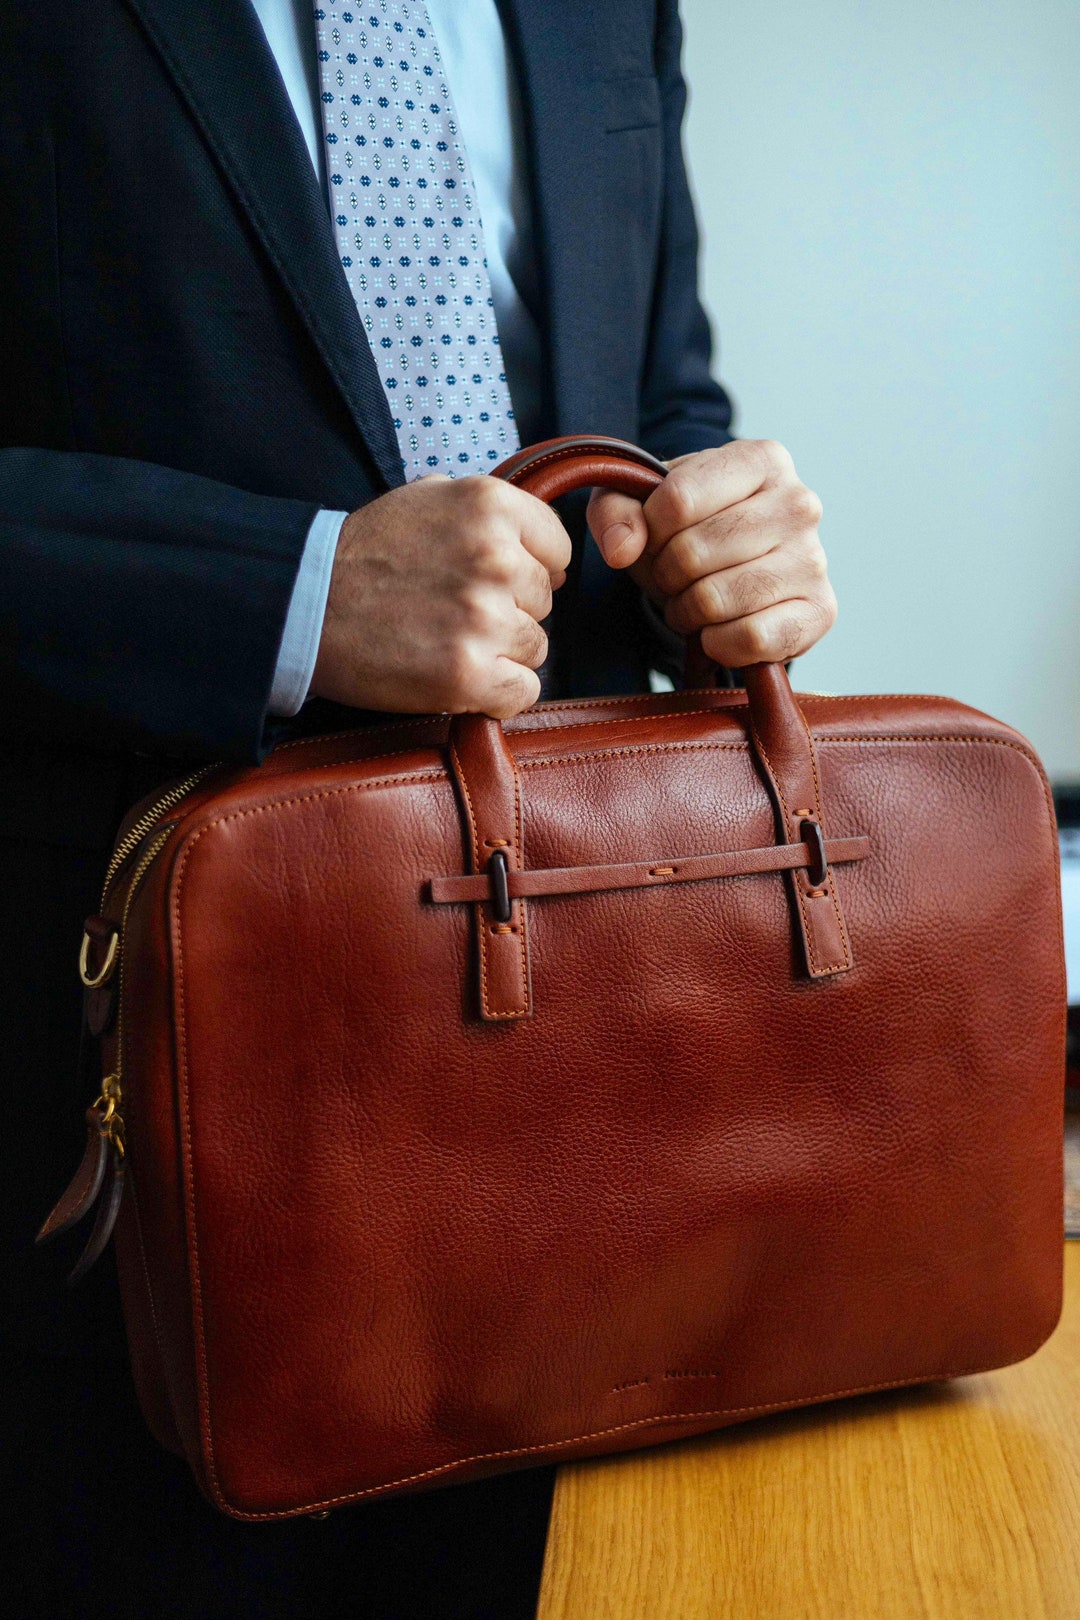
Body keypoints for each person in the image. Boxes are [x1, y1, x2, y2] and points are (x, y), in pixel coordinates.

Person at [1, 1, 836, 1614]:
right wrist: (294, 591)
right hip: (135, 1143)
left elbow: (660, 402)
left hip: (601, 1125)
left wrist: (715, 541)